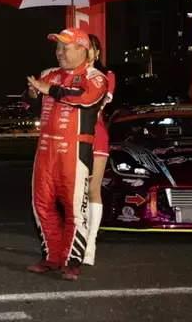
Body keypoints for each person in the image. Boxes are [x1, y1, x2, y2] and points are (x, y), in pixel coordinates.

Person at [26, 28, 108, 281]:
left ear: (83, 49)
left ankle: (71, 261)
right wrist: (32, 94)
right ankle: (52, 256)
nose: (59, 52)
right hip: (45, 149)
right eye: (57, 48)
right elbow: (30, 102)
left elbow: (85, 97)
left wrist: (49, 90)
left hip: (74, 151)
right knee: (41, 204)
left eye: (65, 48)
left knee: (74, 208)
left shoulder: (95, 77)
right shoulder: (48, 74)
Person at [83, 34, 115, 266]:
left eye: (90, 48)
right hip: (72, 137)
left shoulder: (106, 76)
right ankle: (78, 237)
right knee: (76, 192)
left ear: (97, 53)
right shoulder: (66, 76)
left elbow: (98, 100)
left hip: (96, 135)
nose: (86, 52)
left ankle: (90, 243)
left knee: (93, 189)